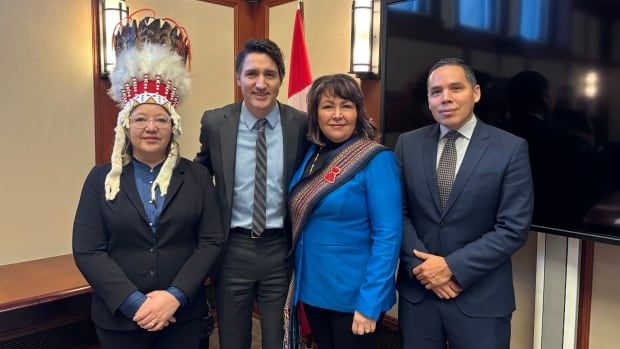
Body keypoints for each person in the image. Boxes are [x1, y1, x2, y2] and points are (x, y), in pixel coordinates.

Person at [73, 13, 222, 349]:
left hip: (182, 318)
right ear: (126, 125)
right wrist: (134, 303)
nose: (151, 127)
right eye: (140, 118)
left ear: (174, 127)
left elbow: (211, 241)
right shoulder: (101, 179)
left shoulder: (197, 176)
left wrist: (175, 296)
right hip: (120, 322)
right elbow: (88, 250)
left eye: (161, 119)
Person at [395, 58, 534, 348]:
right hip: (419, 296)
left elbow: (512, 228)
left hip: (481, 298)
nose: (445, 97)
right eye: (436, 91)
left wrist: (451, 267)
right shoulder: (407, 144)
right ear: (429, 100)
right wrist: (425, 271)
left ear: (476, 93)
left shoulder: (510, 148)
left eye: (455, 88)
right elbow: (397, 214)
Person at [195, 38, 308, 349]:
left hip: (280, 251)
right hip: (232, 250)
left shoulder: (299, 123)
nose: (261, 83)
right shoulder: (216, 122)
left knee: (279, 340)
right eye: (252, 74)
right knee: (232, 340)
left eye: (270, 74)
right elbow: (200, 173)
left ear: (280, 79)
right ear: (238, 78)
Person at [284, 74, 402, 349]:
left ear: (358, 112)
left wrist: (370, 303)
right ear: (315, 114)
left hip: (354, 296)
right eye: (327, 106)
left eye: (346, 106)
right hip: (313, 289)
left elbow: (388, 236)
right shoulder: (312, 154)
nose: (337, 115)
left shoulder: (377, 159)